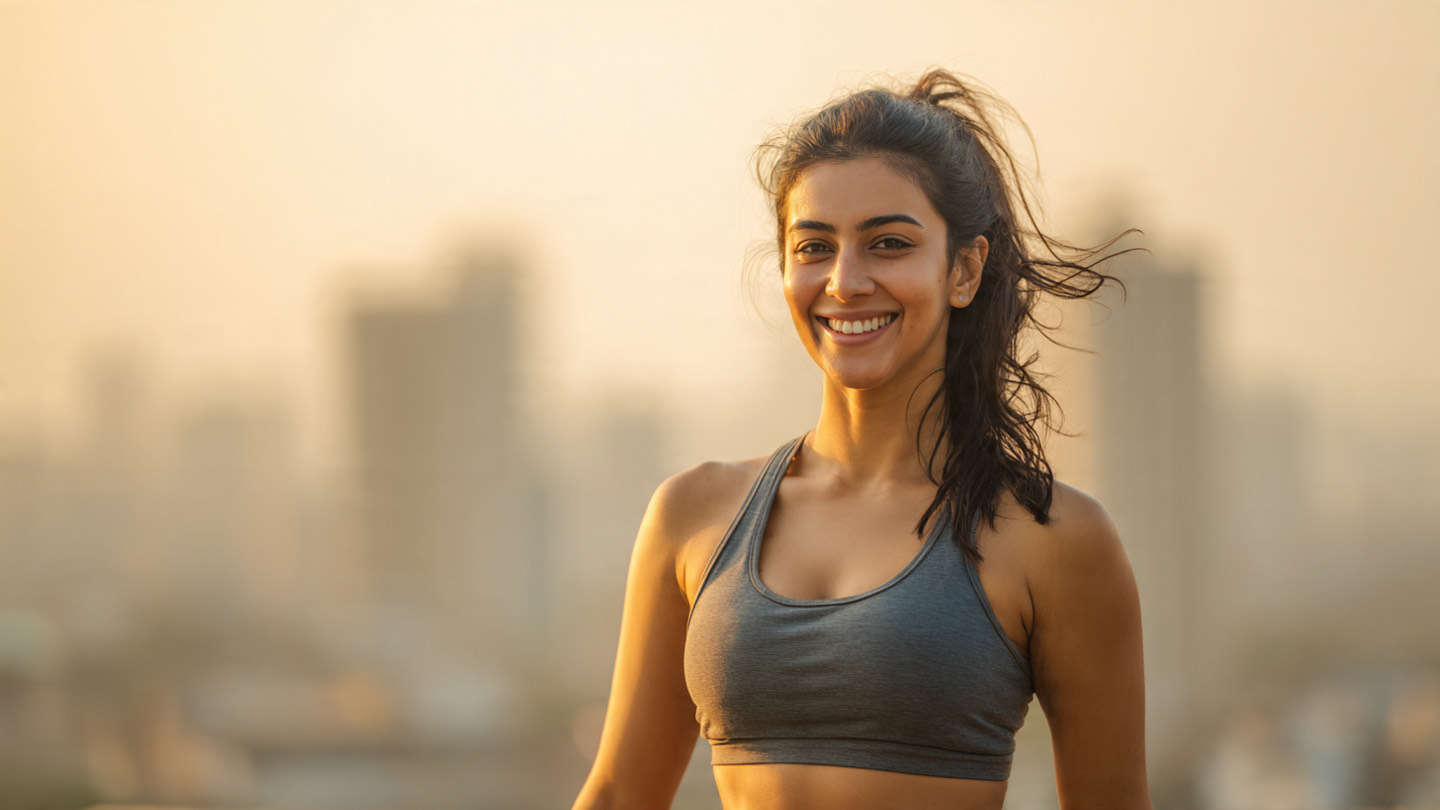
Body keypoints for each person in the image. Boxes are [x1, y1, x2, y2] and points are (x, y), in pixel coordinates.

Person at [572, 69, 1152, 810]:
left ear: (964, 270)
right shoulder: (693, 514)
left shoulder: (1054, 538)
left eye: (888, 244)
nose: (845, 281)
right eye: (814, 247)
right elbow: (618, 794)